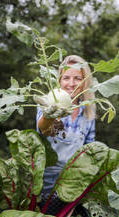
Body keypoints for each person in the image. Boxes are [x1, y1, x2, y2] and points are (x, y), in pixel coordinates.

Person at [36, 55, 96, 197]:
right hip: (45, 179)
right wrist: (48, 115)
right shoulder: (48, 102)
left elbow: (89, 147)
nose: (71, 83)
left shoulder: (88, 110)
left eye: (78, 78)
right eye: (66, 78)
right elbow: (43, 131)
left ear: (85, 82)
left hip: (73, 182)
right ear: (60, 80)